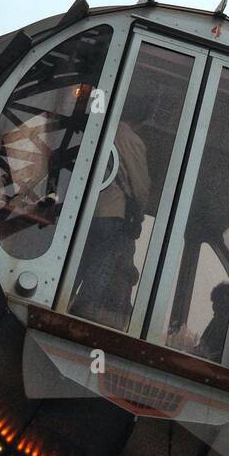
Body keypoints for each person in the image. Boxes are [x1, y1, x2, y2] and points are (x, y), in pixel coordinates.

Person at [71, 120, 150, 330]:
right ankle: (80, 317)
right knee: (99, 269)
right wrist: (139, 216)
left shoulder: (96, 128)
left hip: (83, 211)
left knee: (75, 264)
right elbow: (141, 186)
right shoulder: (130, 140)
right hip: (112, 213)